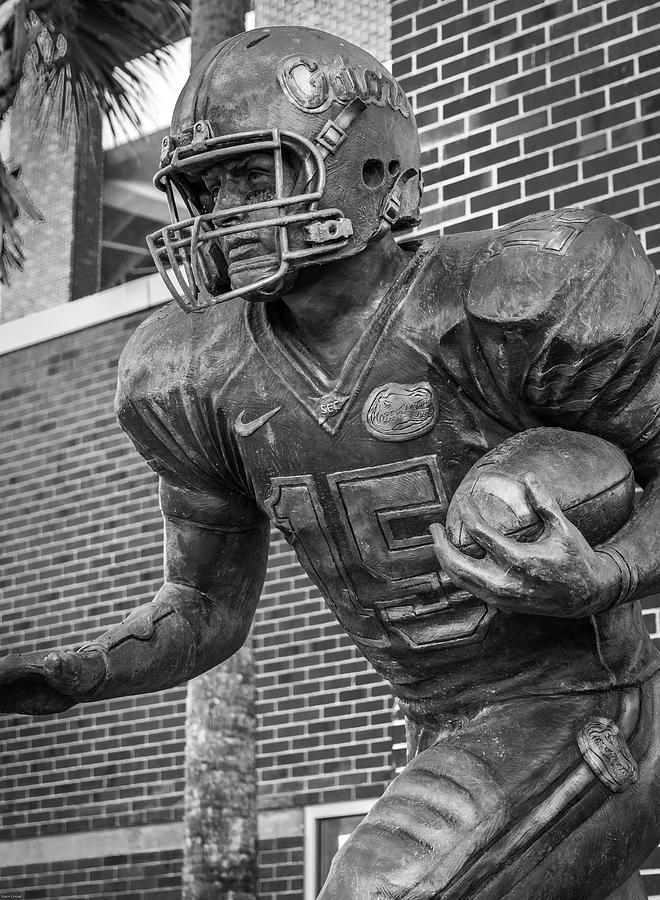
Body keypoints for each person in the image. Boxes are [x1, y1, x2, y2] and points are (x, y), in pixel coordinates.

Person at [2, 26, 659, 900]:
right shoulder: (190, 372)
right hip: (444, 722)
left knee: (376, 890)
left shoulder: (516, 291)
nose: (221, 209)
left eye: (251, 173)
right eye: (204, 186)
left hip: (587, 699)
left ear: (372, 170)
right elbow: (204, 606)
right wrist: (77, 673)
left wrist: (606, 574)